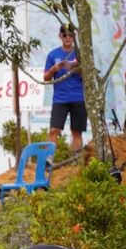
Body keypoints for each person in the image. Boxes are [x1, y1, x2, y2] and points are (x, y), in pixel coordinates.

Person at [44, 23, 86, 153]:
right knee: (54, 130)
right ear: (60, 36)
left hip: (78, 97)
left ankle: (77, 159)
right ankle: (48, 159)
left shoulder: (81, 53)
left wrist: (78, 69)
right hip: (60, 99)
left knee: (76, 132)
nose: (67, 38)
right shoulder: (53, 55)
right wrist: (54, 69)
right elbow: (46, 78)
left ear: (74, 36)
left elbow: (87, 76)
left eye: (70, 35)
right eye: (64, 35)